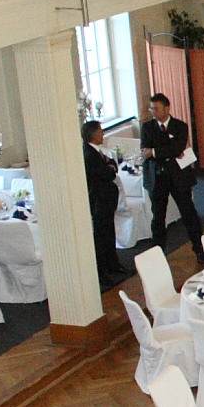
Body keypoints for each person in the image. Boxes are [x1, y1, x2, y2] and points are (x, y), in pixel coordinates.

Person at [136, 91, 196, 255]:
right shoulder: (147, 128)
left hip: (178, 177)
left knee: (188, 213)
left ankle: (199, 249)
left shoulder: (180, 126)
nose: (153, 112)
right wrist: (165, 151)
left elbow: (176, 148)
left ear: (167, 108)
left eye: (156, 109)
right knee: (158, 217)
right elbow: (145, 150)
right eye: (151, 109)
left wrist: (155, 152)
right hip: (157, 177)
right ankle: (158, 253)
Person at [80, 118, 128, 285]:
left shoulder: (96, 152)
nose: (103, 134)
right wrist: (110, 169)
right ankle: (102, 272)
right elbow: (107, 173)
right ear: (93, 135)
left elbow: (112, 165)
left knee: (109, 233)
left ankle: (112, 264)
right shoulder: (89, 154)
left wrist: (110, 167)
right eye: (100, 131)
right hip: (99, 201)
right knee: (101, 237)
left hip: (106, 200)